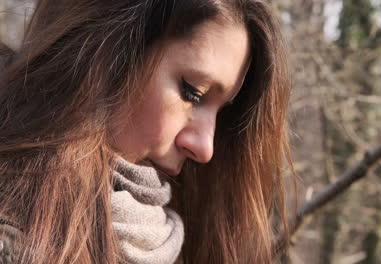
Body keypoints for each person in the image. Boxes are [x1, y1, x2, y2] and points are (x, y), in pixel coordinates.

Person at [0, 0, 293, 263]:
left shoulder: (175, 242)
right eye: (192, 93)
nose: (205, 148)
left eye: (223, 112)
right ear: (99, 54)